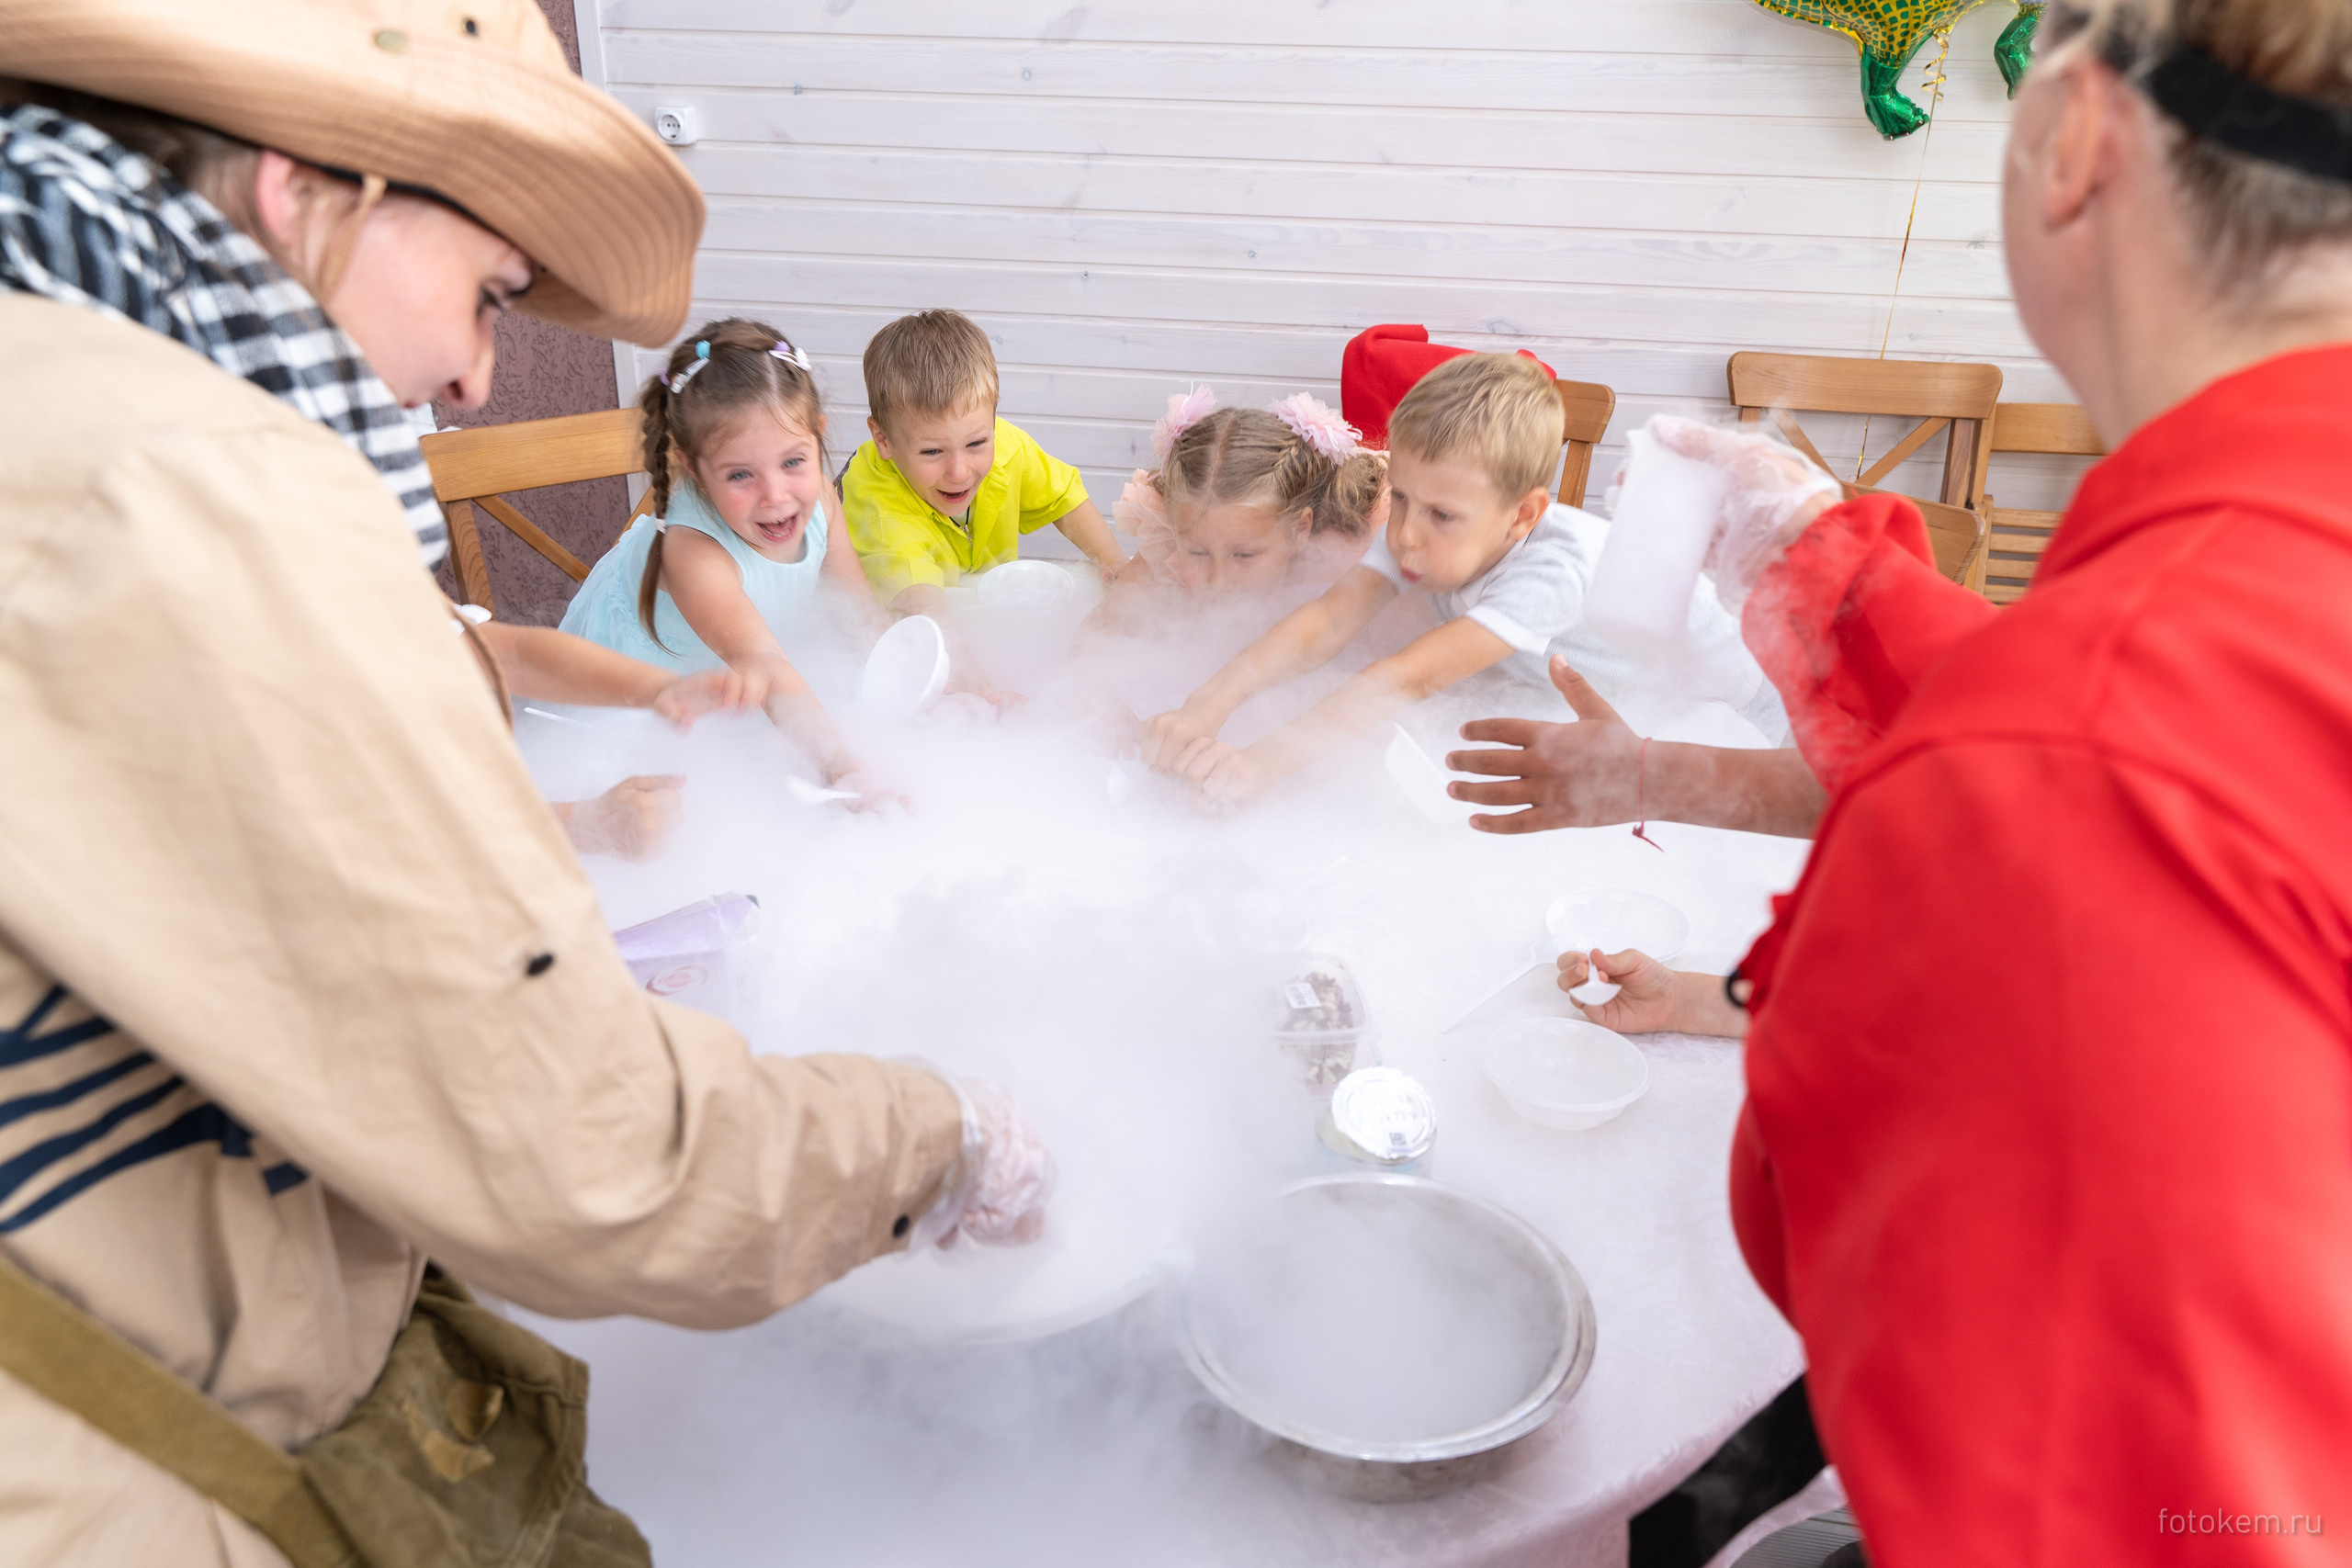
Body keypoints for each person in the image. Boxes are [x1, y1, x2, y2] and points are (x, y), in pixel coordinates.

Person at [0, 5, 1046, 1563]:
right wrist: (943, 1132)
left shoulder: (65, 409)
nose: (476, 377)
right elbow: (587, 1145)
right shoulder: (179, 491)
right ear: (303, 191)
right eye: (489, 291)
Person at [1562, 2, 2352, 1559]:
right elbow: (2209, 726)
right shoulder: (2264, 561)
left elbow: (2132, 1490)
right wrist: (1820, 560)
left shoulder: (2074, 756)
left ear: (2073, 140)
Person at [1139, 352, 1598, 803]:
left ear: (1521, 516)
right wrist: (1211, 700)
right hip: (1521, 685)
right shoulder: (1417, 531)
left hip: (1620, 711)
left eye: (1441, 514)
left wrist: (1260, 765)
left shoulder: (1553, 573)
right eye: (1399, 497)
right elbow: (1329, 620)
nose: (1405, 534)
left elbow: (1405, 678)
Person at [560, 318, 898, 807]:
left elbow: (856, 611)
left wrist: (927, 682)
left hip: (744, 679)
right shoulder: (693, 552)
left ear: (817, 434)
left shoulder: (821, 498)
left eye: (793, 462)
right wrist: (843, 768)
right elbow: (763, 667)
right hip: (638, 696)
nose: (775, 495)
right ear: (691, 466)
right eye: (741, 474)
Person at [841, 308, 1127, 692]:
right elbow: (923, 607)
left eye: (977, 443)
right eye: (931, 452)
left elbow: (1065, 498)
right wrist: (979, 689)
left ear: (993, 419)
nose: (959, 471)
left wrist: (1115, 566)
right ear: (884, 440)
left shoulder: (1008, 447)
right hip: (893, 620)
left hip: (962, 598)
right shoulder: (880, 512)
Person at [1087, 389, 1385, 632]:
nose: (1218, 581)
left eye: (1244, 555)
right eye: (1198, 553)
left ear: (1299, 530)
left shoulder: (1339, 558)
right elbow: (1099, 632)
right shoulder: (1172, 536)